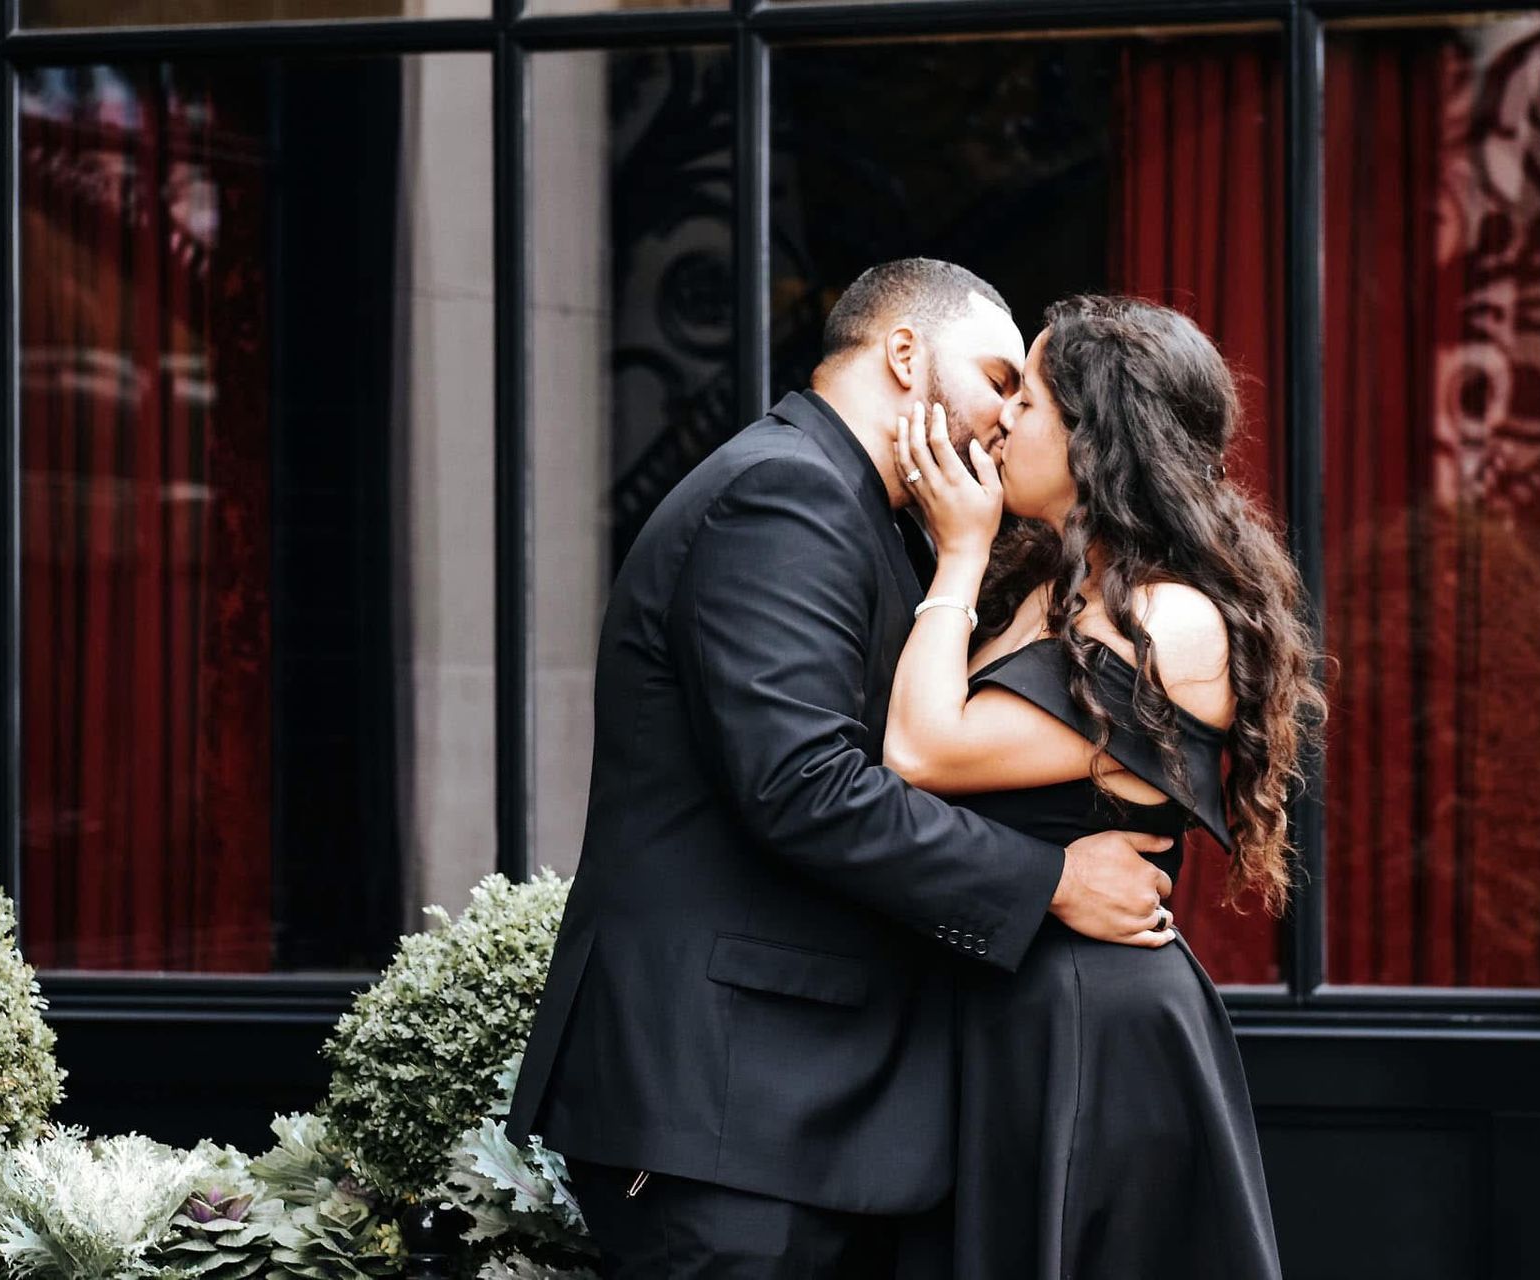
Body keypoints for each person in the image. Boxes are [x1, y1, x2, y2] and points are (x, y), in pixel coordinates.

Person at [504, 260, 1178, 1278]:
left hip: (789, 1110)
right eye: (1000, 377)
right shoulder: (787, 493)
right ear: (905, 354)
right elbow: (804, 785)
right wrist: (1052, 881)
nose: (1009, 417)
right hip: (727, 1114)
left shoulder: (858, 505)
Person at [883, 294, 1322, 1279]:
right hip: (1009, 1007)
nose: (1000, 419)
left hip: (1092, 1027)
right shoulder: (1051, 588)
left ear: (1099, 440)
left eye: (1028, 399)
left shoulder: (1176, 619)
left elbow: (918, 749)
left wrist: (956, 552)